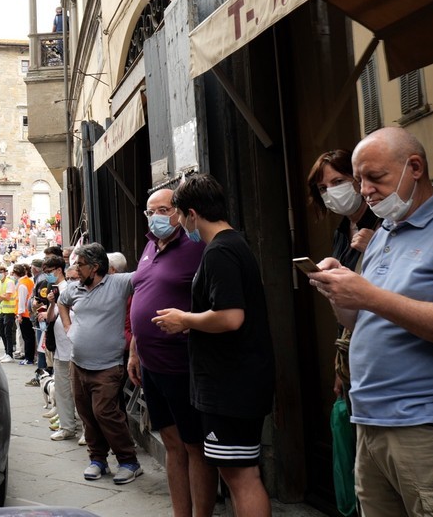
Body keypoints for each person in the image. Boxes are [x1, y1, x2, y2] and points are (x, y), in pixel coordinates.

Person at [309, 127, 433, 516]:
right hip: (370, 421)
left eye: (376, 178)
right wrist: (340, 292)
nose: (365, 190)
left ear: (415, 167)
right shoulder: (384, 233)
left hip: (429, 424)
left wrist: (370, 295)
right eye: (359, 181)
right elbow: (362, 321)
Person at [154, 174, 274, 517]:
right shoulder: (230, 245)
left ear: (192, 213)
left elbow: (231, 317)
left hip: (231, 384)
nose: (177, 223)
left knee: (240, 475)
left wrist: (186, 320)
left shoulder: (221, 251)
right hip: (233, 380)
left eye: (177, 215)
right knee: (238, 472)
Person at [127, 188, 216, 517]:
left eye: (164, 209)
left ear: (180, 211)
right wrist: (135, 350)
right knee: (171, 442)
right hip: (151, 364)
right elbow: (141, 294)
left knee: (195, 446)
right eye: (151, 211)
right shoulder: (151, 245)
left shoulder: (196, 245)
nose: (157, 217)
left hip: (183, 364)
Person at [306, 148, 380, 517]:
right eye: (323, 188)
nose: (331, 192)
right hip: (353, 350)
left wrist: (376, 248)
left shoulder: (382, 223)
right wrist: (340, 365)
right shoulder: (340, 231)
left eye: (337, 182)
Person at [59, 243, 141, 485]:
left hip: (108, 365)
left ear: (94, 267)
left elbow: (148, 277)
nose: (75, 269)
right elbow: (62, 303)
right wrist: (67, 327)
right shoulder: (75, 288)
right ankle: (98, 460)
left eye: (79, 265)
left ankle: (129, 461)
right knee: (86, 414)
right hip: (79, 364)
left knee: (105, 412)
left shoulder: (118, 283)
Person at [45, 261, 80, 441]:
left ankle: (87, 431)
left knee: (79, 393)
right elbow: (50, 318)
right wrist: (52, 303)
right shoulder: (61, 293)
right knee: (63, 391)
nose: (73, 281)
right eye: (71, 277)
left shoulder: (83, 294)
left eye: (76, 278)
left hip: (77, 352)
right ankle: (67, 427)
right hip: (61, 350)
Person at [0, 266, 17, 361]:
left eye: (1, 272)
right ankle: (6, 352)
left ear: (5, 272)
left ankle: (10, 354)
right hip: (2, 310)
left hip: (10, 310)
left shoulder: (9, 282)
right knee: (2, 331)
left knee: (8, 332)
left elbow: (7, 297)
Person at [16, 264, 36, 364]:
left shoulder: (22, 284)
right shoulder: (28, 281)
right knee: (30, 337)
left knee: (27, 337)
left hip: (25, 314)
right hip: (29, 312)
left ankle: (29, 358)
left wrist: (19, 314)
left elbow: (21, 300)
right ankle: (30, 357)